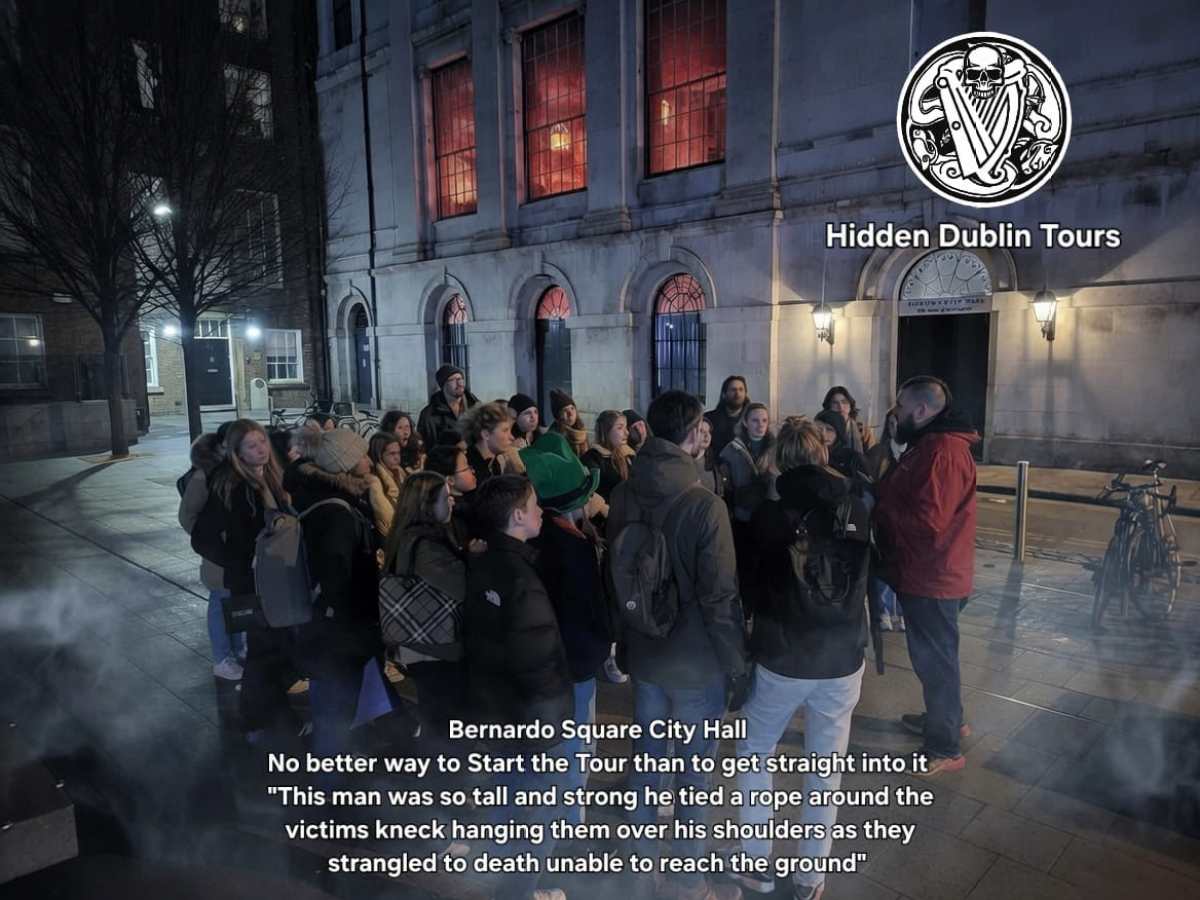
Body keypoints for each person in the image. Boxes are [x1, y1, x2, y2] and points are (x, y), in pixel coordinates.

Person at [607, 390, 747, 900]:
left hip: (644, 653)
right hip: (695, 664)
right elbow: (720, 596)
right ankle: (688, 881)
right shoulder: (705, 505)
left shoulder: (624, 493)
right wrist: (737, 665)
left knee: (647, 761)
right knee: (693, 774)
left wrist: (622, 644)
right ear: (690, 436)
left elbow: (615, 577)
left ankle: (639, 866)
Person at [724, 419, 871, 900]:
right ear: (822, 456)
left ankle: (755, 862)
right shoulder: (857, 503)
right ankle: (810, 877)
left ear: (779, 461)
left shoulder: (768, 515)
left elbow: (750, 588)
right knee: (826, 764)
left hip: (783, 655)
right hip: (844, 654)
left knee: (755, 751)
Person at [464, 475, 573, 900]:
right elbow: (538, 661)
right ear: (516, 516)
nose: (541, 511)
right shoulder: (521, 578)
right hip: (529, 723)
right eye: (533, 506)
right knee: (539, 814)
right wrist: (555, 724)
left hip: (495, 713)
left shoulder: (485, 563)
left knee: (505, 807)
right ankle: (520, 891)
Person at [874, 376, 979, 775]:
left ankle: (945, 747)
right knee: (937, 658)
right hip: (931, 571)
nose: (895, 413)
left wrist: (880, 510)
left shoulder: (941, 451)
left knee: (936, 661)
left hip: (934, 576)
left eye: (899, 406)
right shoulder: (932, 445)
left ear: (921, 410)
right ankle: (947, 720)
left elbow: (927, 520)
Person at [522, 434, 611, 824]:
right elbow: (586, 610)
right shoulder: (572, 546)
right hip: (574, 664)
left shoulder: (539, 536)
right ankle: (569, 823)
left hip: (547, 664)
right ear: (575, 503)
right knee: (576, 746)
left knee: (558, 744)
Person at [191, 420, 295, 741]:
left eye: (262, 442)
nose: (261, 449)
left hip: (274, 579)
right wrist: (238, 563)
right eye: (252, 445)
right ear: (236, 452)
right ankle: (261, 719)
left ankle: (260, 716)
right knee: (264, 649)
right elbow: (202, 536)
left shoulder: (271, 476)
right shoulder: (233, 485)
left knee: (268, 649)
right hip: (251, 582)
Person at [289, 429, 384, 763]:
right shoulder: (338, 514)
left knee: (332, 705)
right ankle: (331, 790)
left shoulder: (323, 499)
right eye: (361, 455)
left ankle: (334, 767)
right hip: (338, 632)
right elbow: (337, 578)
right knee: (334, 710)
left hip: (327, 629)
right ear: (344, 464)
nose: (368, 460)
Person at [381, 471, 467, 741]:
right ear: (427, 505)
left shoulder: (411, 536)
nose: (452, 502)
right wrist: (472, 559)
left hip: (421, 645)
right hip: (433, 647)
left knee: (436, 713)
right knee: (443, 718)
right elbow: (461, 585)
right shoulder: (425, 545)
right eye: (446, 498)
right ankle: (445, 773)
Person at [178, 431, 245, 680]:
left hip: (229, 553)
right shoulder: (203, 476)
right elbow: (187, 516)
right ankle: (222, 658)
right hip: (217, 555)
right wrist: (210, 540)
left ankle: (237, 650)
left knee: (234, 602)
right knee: (220, 602)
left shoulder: (228, 475)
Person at [720, 402, 777, 619]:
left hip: (770, 517)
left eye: (764, 420)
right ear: (745, 422)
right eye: (755, 420)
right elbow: (727, 486)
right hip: (743, 519)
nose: (760, 425)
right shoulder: (732, 450)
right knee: (746, 567)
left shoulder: (776, 448)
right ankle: (747, 612)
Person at [865, 407, 907, 631]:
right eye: (891, 423)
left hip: (906, 522)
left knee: (903, 568)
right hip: (883, 519)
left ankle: (900, 611)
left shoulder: (915, 451)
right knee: (883, 566)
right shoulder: (879, 453)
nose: (895, 428)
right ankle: (883, 611)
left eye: (898, 423)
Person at [426, 444, 480, 550]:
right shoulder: (450, 514)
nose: (473, 471)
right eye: (467, 467)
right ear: (450, 480)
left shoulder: (469, 500)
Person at [417, 365, 479, 449]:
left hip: (475, 461)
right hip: (444, 460)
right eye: (453, 379)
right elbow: (426, 446)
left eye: (461, 379)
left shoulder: (477, 408)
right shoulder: (429, 414)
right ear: (443, 385)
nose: (459, 383)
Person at [460, 400, 516, 486]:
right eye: (505, 431)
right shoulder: (470, 468)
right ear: (486, 434)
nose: (512, 437)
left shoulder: (494, 463)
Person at [582, 410, 634, 503]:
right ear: (606, 431)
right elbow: (590, 494)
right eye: (620, 428)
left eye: (626, 427)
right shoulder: (592, 458)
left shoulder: (628, 455)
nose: (627, 432)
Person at [367, 432, 405, 542]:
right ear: (379, 455)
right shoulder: (374, 481)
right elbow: (387, 517)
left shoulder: (399, 472)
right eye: (392, 454)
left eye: (398, 453)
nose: (397, 458)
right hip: (389, 538)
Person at [705, 375, 750, 459]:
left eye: (741, 389)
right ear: (724, 394)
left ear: (745, 393)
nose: (737, 393)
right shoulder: (709, 419)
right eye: (733, 390)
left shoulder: (753, 420)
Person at [822, 385, 876, 453]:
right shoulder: (822, 430)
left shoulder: (863, 431)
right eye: (835, 403)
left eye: (844, 402)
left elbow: (872, 458)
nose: (840, 407)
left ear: (850, 405)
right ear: (829, 406)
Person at [693, 417, 725, 498]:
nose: (707, 435)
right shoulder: (683, 462)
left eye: (709, 432)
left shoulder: (715, 463)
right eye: (702, 431)